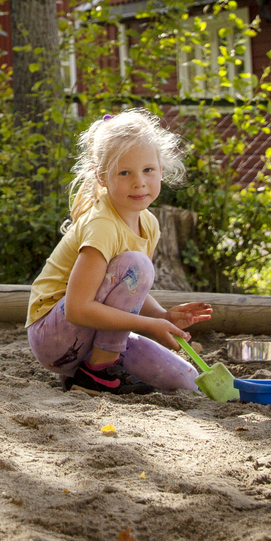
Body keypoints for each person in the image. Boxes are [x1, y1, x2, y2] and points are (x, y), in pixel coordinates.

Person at [26, 109, 212, 395]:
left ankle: (95, 368)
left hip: (91, 338)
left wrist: (162, 316)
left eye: (148, 170)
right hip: (54, 336)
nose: (139, 182)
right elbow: (77, 308)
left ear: (161, 169)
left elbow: (127, 288)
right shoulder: (102, 226)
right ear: (102, 177)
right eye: (125, 173)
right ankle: (98, 374)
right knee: (138, 264)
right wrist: (148, 325)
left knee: (186, 379)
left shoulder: (148, 223)